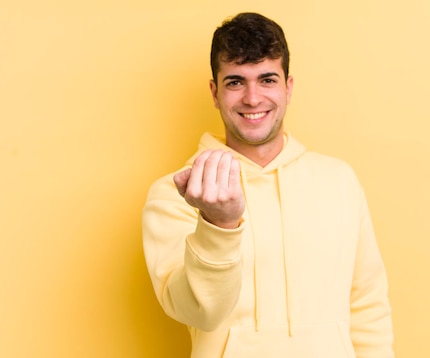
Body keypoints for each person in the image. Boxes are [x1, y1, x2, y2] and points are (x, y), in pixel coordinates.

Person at [142, 12, 394, 358]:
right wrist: (219, 224)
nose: (252, 98)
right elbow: (197, 311)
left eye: (267, 80)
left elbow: (367, 305)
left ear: (288, 88)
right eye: (235, 82)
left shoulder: (340, 181)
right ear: (214, 93)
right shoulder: (176, 194)